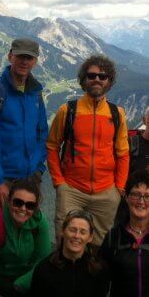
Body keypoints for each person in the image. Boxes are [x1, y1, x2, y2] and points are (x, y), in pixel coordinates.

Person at [46, 55, 129, 246]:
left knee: (102, 246)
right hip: (72, 189)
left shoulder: (117, 114)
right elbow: (52, 146)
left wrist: (119, 188)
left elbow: (122, 153)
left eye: (103, 76)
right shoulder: (68, 110)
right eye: (92, 76)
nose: (97, 79)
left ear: (109, 81)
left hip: (106, 191)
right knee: (66, 241)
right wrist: (59, 182)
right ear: (84, 80)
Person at [0, 38, 48, 209]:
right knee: (0, 228)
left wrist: (38, 168)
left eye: (29, 58)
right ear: (10, 57)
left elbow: (42, 133)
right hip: (4, 179)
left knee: (28, 227)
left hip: (31, 177)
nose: (24, 61)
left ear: (35, 62)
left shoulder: (35, 94)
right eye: (20, 56)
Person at [0, 179, 51, 297]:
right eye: (18, 202)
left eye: (30, 205)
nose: (23, 209)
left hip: (22, 280)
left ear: (36, 207)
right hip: (0, 280)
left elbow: (43, 261)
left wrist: (21, 284)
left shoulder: (40, 223)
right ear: (9, 201)